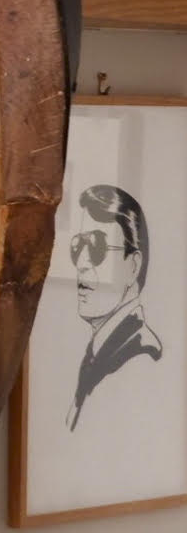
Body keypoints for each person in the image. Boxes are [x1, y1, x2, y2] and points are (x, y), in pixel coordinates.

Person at [64, 184, 163, 431]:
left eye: (97, 247)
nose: (81, 263)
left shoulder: (141, 359)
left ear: (133, 265)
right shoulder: (98, 354)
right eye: (77, 247)